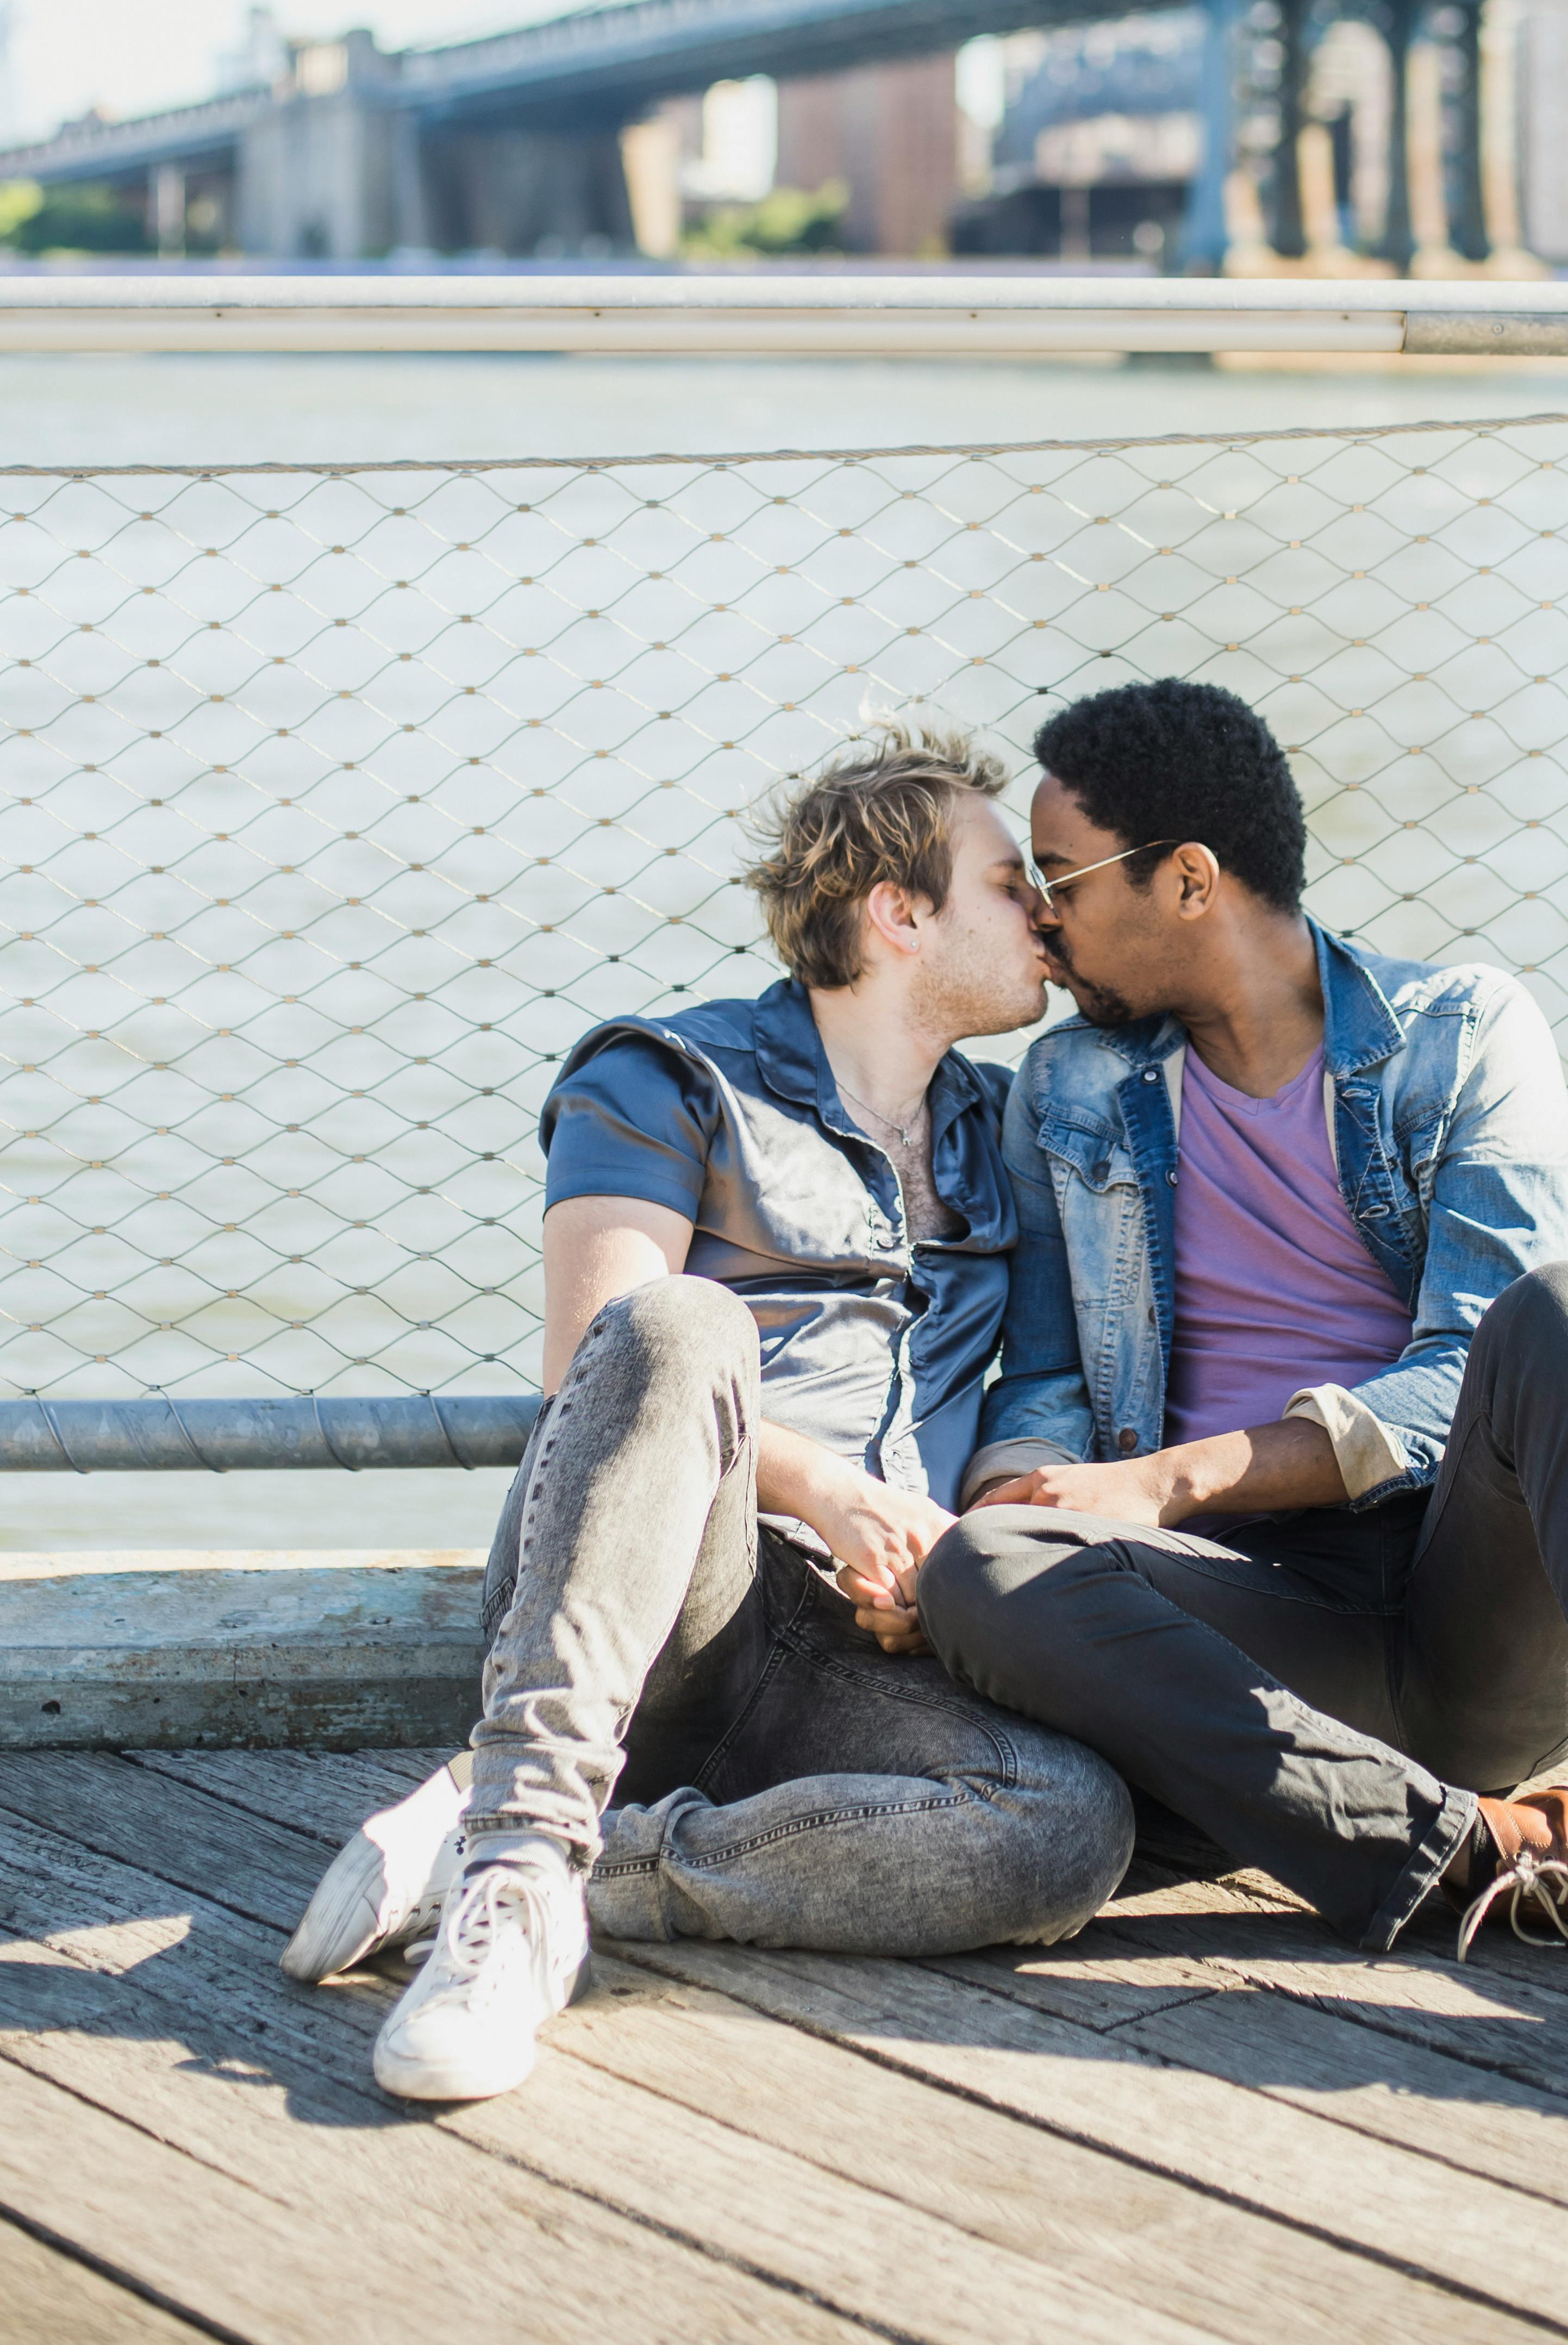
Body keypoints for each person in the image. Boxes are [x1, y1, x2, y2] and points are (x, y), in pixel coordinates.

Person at [911, 680, 1568, 2148]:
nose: (1038, 923)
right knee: (976, 1566)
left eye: (1059, 880)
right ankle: (1508, 1862)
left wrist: (1166, 1481)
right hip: (1242, 1629)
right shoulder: (1066, 1084)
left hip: (1467, 1605)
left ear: (1186, 880)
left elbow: (1459, 1378)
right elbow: (1047, 1381)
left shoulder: (1460, 1032)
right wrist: (1027, 1483)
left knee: (1563, 1312)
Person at [281, 729, 1134, 2104]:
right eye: (1005, 879)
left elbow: (1033, 1391)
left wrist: (957, 1560)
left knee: (1068, 1825)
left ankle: (565, 1871)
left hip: (856, 1647)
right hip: (655, 1596)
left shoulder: (1013, 1131)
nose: (1043, 908)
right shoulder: (663, 1075)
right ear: (898, 912)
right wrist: (832, 1493)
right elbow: (594, 1360)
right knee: (681, 1320)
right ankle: (520, 1859)